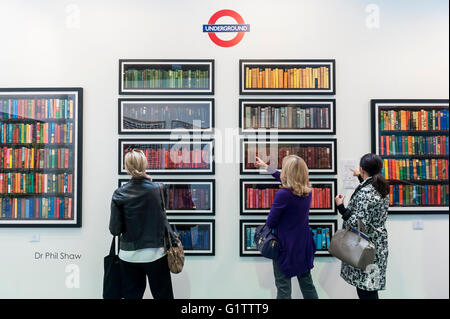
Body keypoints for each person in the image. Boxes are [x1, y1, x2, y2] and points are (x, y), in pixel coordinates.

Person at [109, 148, 174, 299]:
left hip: (129, 255)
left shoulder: (119, 193)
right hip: (155, 253)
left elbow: (115, 230)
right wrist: (149, 181)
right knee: (163, 296)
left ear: (127, 167)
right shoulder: (159, 188)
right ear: (145, 165)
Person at [255, 155, 319, 299]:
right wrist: (267, 167)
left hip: (285, 246)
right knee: (307, 285)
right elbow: (284, 179)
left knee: (283, 288)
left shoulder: (283, 194)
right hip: (303, 244)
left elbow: (270, 222)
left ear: (287, 173)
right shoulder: (307, 190)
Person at [334, 153, 389, 300]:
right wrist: (360, 176)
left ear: (362, 168)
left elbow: (358, 224)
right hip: (376, 245)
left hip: (366, 248)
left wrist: (341, 208)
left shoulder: (366, 193)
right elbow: (368, 207)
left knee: (366, 291)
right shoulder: (380, 186)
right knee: (369, 287)